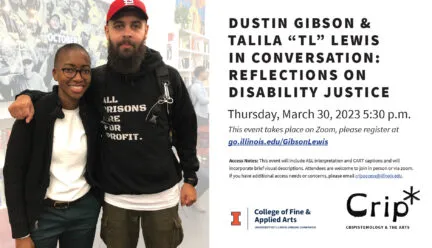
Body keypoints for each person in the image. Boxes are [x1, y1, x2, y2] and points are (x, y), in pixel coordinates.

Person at [9, 1, 200, 248]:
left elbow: (186, 129)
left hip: (162, 197)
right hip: (115, 199)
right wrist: (26, 95)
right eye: (119, 25)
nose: (127, 32)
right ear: (107, 30)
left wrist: (191, 178)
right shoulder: (95, 80)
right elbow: (62, 92)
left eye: (135, 25)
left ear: (146, 30)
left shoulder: (168, 77)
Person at [3, 43, 102, 248]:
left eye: (84, 70)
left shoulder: (93, 112)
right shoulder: (33, 114)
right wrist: (20, 233)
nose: (78, 77)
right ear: (55, 73)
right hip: (43, 215)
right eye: (69, 69)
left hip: (84, 212)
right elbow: (13, 173)